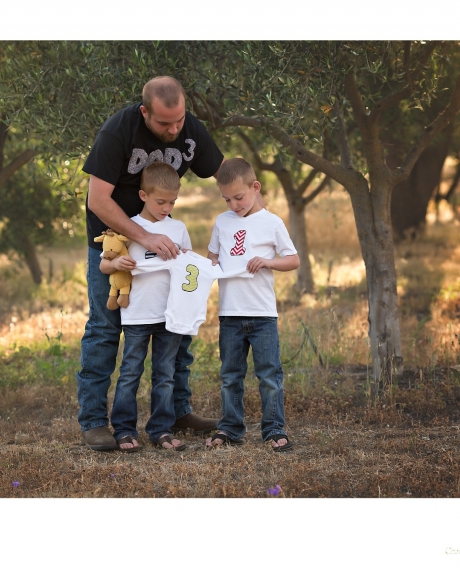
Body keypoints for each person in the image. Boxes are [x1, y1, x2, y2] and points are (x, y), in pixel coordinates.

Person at [77, 76, 223, 451]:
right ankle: (95, 421)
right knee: (106, 329)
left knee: (176, 326)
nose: (174, 129)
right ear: (145, 112)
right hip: (115, 245)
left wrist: (252, 214)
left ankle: (177, 411)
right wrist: (146, 238)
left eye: (179, 120)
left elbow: (224, 173)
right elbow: (98, 200)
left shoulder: (189, 129)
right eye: (164, 124)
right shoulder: (117, 132)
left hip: (162, 246)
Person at [205, 158, 300, 452]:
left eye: (239, 197)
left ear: (255, 187)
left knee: (269, 374)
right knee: (230, 375)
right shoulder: (222, 222)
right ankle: (231, 428)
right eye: (227, 199)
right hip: (230, 314)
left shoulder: (272, 223)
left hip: (262, 315)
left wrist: (269, 262)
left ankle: (273, 429)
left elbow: (293, 260)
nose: (233, 204)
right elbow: (212, 258)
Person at [103, 162, 191, 452]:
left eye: (172, 202)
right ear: (143, 195)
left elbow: (189, 266)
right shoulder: (128, 227)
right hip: (138, 313)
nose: (167, 207)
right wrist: (116, 263)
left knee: (165, 374)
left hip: (170, 314)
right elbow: (105, 262)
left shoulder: (178, 228)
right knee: (130, 372)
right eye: (160, 201)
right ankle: (125, 430)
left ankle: (161, 430)